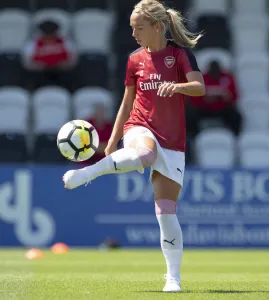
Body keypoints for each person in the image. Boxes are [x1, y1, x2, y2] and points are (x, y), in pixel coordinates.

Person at [63, 0, 205, 292]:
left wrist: (177, 86)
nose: (133, 34)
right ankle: (88, 173)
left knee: (166, 212)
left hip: (173, 140)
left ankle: (173, 278)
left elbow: (199, 87)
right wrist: (114, 139)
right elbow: (127, 103)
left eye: (138, 27)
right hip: (140, 126)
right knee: (143, 153)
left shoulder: (179, 56)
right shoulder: (134, 59)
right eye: (131, 28)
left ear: (157, 26)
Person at [186, 60, 242, 137]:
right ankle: (193, 138)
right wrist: (204, 99)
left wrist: (226, 97)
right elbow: (193, 98)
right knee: (190, 115)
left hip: (223, 108)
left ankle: (234, 137)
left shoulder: (227, 77)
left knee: (236, 116)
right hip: (205, 108)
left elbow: (234, 97)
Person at [21, 20, 77, 92]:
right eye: (47, 33)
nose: (49, 35)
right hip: (40, 72)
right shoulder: (33, 43)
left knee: (70, 76)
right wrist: (40, 66)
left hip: (61, 72)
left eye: (51, 33)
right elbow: (27, 62)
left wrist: (62, 65)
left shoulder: (65, 42)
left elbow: (73, 59)